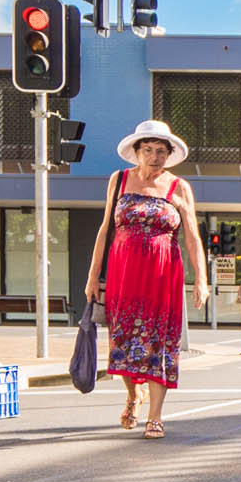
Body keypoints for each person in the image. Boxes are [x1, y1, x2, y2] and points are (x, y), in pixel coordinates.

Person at [83, 119, 207, 438]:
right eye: (148, 150)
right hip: (124, 271)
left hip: (163, 273)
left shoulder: (178, 187)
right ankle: (132, 393)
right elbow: (104, 229)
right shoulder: (119, 179)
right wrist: (93, 276)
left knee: (159, 340)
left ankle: (155, 415)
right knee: (123, 338)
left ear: (169, 155)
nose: (154, 157)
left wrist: (201, 279)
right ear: (136, 152)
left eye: (161, 152)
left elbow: (192, 236)